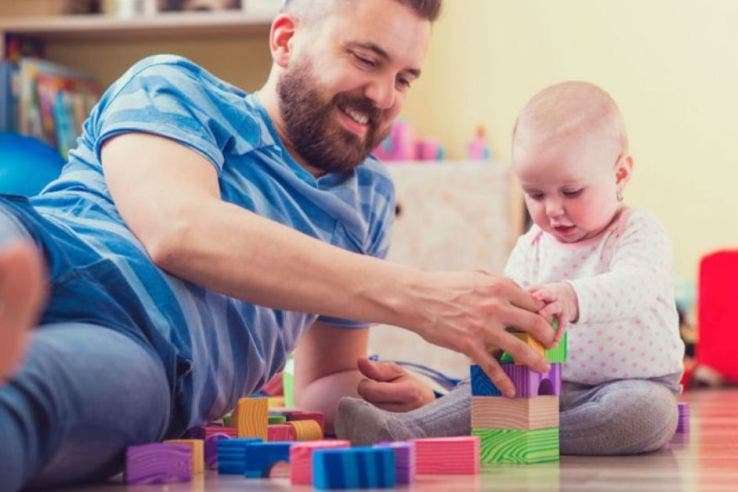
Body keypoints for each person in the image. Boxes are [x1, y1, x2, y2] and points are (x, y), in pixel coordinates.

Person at [0, 0, 556, 488]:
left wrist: (402, 396)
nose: (383, 96)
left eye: (405, 79)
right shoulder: (176, 86)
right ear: (286, 40)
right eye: (366, 59)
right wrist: (420, 297)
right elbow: (179, 229)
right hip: (49, 244)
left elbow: (320, 385)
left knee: (34, 403)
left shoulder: (366, 200)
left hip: (147, 355)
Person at [336, 81, 685, 455]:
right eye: (536, 194)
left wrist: (573, 297)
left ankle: (526, 434)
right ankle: (405, 430)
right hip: (542, 380)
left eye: (571, 192)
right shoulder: (532, 244)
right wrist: (496, 319)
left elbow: (635, 285)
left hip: (631, 384)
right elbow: (508, 307)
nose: (552, 209)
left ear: (619, 175)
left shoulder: (637, 231)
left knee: (644, 417)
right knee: (486, 384)